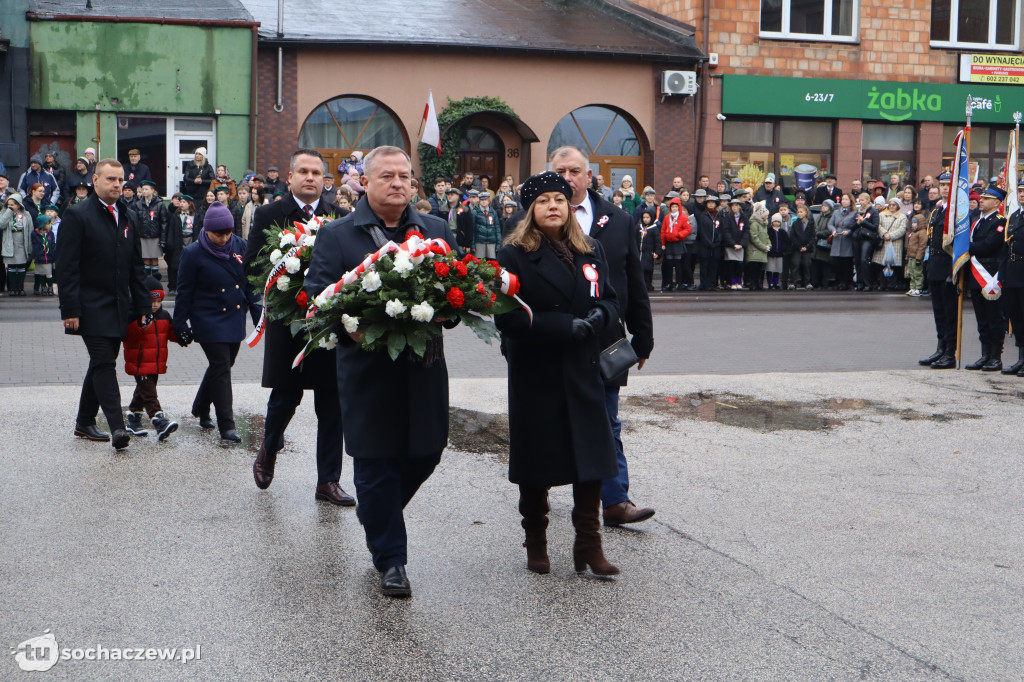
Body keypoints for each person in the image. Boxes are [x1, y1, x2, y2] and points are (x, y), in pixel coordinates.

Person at [303, 146, 458, 597]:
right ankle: (391, 561)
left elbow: (456, 284)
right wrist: (354, 329)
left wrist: (449, 309)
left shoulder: (435, 228)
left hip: (423, 366)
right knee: (375, 461)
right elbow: (319, 298)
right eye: (387, 176)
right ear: (364, 183)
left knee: (427, 451)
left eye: (404, 176)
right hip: (367, 368)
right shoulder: (337, 236)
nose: (397, 183)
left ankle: (376, 511)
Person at [495, 171, 622, 577]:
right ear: (531, 209)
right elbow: (507, 318)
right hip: (538, 371)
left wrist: (603, 314)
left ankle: (589, 543)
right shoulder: (513, 253)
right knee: (537, 463)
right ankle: (536, 541)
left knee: (592, 458)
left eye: (560, 199)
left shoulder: (591, 248)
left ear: (570, 206)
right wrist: (561, 327)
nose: (554, 206)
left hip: (583, 370)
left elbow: (611, 298)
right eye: (544, 200)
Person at [547, 146, 655, 526]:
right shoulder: (536, 220)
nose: (568, 177)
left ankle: (615, 501)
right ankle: (538, 491)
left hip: (605, 339)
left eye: (575, 170)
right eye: (561, 170)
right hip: (554, 338)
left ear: (589, 176)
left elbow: (634, 282)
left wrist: (643, 338)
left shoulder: (619, 220)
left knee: (607, 421)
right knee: (548, 418)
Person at [244, 148, 354, 505]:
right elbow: (253, 267)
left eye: (316, 173)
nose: (310, 177)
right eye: (302, 171)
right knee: (285, 397)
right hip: (288, 321)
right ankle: (269, 450)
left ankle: (328, 481)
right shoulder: (269, 214)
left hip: (327, 322)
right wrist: (282, 290)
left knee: (331, 402)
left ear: (325, 180)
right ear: (289, 177)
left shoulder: (339, 216)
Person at [56, 159, 151, 451]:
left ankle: (84, 421)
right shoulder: (77, 215)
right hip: (89, 305)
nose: (117, 185)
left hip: (119, 305)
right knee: (104, 363)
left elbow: (136, 265)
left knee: (100, 363)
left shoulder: (128, 214)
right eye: (110, 179)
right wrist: (70, 310)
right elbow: (66, 267)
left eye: (120, 180)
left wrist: (145, 305)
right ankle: (117, 426)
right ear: (94, 181)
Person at [173, 202, 261, 442]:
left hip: (234, 317)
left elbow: (251, 285)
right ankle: (227, 426)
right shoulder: (193, 253)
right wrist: (179, 324)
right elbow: (184, 292)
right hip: (207, 318)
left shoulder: (241, 246)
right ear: (207, 230)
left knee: (223, 364)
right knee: (221, 368)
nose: (223, 239)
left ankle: (201, 405)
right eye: (217, 234)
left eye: (227, 233)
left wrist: (258, 318)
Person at [122, 276, 179, 441]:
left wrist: (184, 335)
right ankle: (159, 420)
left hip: (156, 362)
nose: (155, 305)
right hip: (139, 362)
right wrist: (140, 326)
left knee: (143, 391)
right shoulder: (135, 315)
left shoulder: (164, 316)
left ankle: (133, 419)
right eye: (151, 301)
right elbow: (127, 336)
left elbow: (172, 334)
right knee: (150, 394)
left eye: (159, 301)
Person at [963, 186, 1007, 372]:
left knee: (994, 318)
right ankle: (985, 354)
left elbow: (988, 246)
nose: (981, 200)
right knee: (981, 319)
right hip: (976, 275)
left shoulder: (1000, 222)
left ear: (997, 203)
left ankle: (996, 357)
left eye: (986, 198)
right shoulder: (976, 222)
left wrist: (964, 246)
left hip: (990, 275)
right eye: (981, 198)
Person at [998, 182, 1024, 375]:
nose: (1022, 195)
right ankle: (1020, 358)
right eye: (1021, 192)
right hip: (1013, 272)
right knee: (1016, 317)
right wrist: (1003, 273)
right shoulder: (1014, 217)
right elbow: (1006, 249)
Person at [135, 180, 169, 281]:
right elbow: (136, 221)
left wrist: (163, 239)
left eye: (146, 189)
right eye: (142, 189)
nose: (144, 191)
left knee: (154, 259)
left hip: (155, 236)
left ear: (152, 190)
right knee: (145, 259)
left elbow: (163, 222)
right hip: (143, 235)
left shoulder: (160, 204)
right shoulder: (138, 204)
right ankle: (146, 280)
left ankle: (154, 280)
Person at [2, 193, 33, 296]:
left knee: (21, 265)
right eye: (9, 204)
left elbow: (30, 230)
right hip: (10, 240)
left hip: (21, 239)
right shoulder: (4, 213)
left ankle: (20, 287)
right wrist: (8, 212)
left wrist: (29, 246)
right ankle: (12, 287)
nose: (11, 206)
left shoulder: (26, 214)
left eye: (13, 204)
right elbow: (1, 224)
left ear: (19, 205)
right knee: (11, 265)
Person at [874, 197, 907, 291]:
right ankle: (882, 284)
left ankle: (892, 284)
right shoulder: (882, 214)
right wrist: (884, 234)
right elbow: (878, 225)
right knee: (882, 264)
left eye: (894, 205)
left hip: (895, 242)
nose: (891, 206)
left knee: (893, 264)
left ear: (898, 206)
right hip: (884, 241)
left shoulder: (902, 216)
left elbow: (902, 229)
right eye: (890, 204)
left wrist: (891, 235)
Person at [659, 197, 690, 291]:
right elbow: (663, 230)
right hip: (669, 243)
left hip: (677, 242)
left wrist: (679, 235)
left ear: (679, 207)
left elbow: (688, 229)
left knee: (678, 264)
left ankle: (678, 283)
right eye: (672, 207)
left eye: (676, 207)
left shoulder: (683, 218)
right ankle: (668, 283)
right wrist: (663, 243)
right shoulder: (667, 217)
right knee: (668, 264)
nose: (674, 208)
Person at [852, 193, 880, 291]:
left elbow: (875, 227)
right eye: (860, 200)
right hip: (857, 237)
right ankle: (859, 283)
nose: (861, 202)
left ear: (868, 200)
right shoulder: (858, 211)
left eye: (863, 200)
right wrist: (858, 223)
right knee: (857, 260)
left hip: (867, 238)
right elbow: (852, 227)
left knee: (864, 260)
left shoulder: (873, 211)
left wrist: (863, 221)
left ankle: (867, 283)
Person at [696, 194, 722, 291]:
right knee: (704, 266)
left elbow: (721, 230)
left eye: (713, 203)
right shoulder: (703, 215)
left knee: (714, 266)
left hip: (716, 247)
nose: (711, 205)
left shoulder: (719, 215)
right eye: (709, 203)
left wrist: (717, 241)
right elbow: (702, 231)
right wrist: (708, 242)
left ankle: (712, 283)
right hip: (705, 246)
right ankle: (704, 284)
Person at [721, 197, 748, 290]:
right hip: (730, 246)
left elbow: (746, 231)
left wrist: (741, 244)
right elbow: (726, 231)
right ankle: (732, 282)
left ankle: (739, 281)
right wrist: (733, 244)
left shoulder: (744, 217)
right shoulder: (728, 217)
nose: (734, 207)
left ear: (740, 207)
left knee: (739, 264)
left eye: (736, 205)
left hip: (740, 245)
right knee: (731, 264)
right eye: (733, 206)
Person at [830, 194, 856, 290]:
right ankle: (839, 282)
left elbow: (855, 226)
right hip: (837, 239)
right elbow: (830, 224)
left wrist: (848, 231)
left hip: (847, 239)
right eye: (843, 199)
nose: (844, 201)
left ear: (850, 201)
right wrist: (833, 230)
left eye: (846, 199)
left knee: (847, 263)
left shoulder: (854, 213)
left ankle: (847, 282)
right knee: (836, 262)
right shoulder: (836, 212)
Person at [904, 201, 928, 297]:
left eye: (915, 223)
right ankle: (912, 287)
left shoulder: (922, 233)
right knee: (912, 273)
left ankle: (918, 288)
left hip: (917, 257)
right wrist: (907, 255)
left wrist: (919, 257)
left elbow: (922, 246)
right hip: (911, 256)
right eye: (912, 223)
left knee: (918, 273)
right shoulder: (914, 233)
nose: (913, 225)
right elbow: (910, 246)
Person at [744, 201, 770, 290]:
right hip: (754, 251)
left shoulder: (764, 225)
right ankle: (753, 284)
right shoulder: (754, 224)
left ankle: (759, 284)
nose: (767, 217)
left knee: (760, 269)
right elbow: (754, 237)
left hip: (762, 251)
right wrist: (763, 247)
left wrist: (768, 245)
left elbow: (766, 236)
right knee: (754, 269)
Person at [789, 204, 815, 289]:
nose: (799, 214)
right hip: (797, 248)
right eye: (798, 212)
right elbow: (792, 236)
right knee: (795, 264)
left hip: (807, 248)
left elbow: (812, 236)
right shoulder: (795, 223)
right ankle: (793, 282)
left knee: (807, 265)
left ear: (806, 212)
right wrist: (799, 246)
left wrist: (807, 246)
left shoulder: (810, 223)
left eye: (801, 212)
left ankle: (807, 282)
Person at [31, 213, 57, 296]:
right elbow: (35, 245)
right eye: (47, 223)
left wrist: (52, 254)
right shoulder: (35, 234)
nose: (49, 225)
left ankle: (49, 287)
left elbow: (52, 244)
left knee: (49, 273)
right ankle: (43, 287)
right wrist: (38, 254)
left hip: (49, 257)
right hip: (40, 257)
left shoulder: (50, 234)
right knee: (41, 273)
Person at [812, 200, 835, 289]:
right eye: (822, 205)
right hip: (817, 244)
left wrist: (819, 234)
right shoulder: (820, 216)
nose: (823, 207)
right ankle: (815, 283)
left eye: (825, 206)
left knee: (825, 265)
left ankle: (825, 283)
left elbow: (830, 229)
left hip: (826, 244)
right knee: (816, 265)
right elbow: (815, 227)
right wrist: (816, 233)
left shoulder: (832, 217)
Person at [637, 208, 661, 292]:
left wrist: (657, 252)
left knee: (647, 269)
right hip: (639, 252)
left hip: (649, 252)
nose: (645, 219)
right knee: (640, 269)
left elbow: (658, 242)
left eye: (647, 217)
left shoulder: (654, 229)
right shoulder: (639, 227)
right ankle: (641, 285)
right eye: (644, 218)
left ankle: (648, 285)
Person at [472, 191, 500, 259]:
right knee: (479, 262)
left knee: (492, 262)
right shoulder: (475, 212)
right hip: (479, 241)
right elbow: (472, 229)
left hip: (491, 241)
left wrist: (498, 244)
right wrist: (472, 244)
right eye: (482, 200)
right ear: (479, 201)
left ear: (489, 201)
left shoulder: (493, 212)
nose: (484, 202)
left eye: (485, 200)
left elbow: (497, 228)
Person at [766, 213, 789, 289]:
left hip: (779, 253)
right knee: (769, 269)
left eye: (778, 222)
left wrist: (783, 250)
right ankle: (770, 283)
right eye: (775, 221)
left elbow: (786, 242)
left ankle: (775, 282)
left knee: (777, 269)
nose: (776, 223)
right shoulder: (768, 231)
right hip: (771, 253)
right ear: (772, 222)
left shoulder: (782, 232)